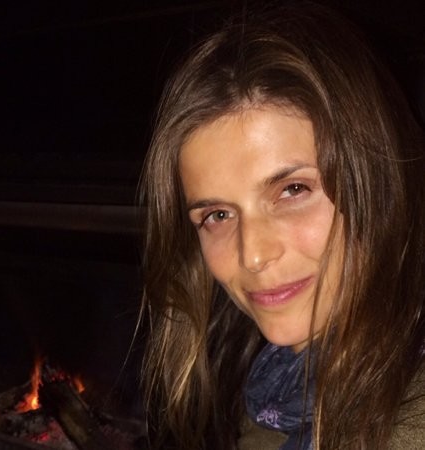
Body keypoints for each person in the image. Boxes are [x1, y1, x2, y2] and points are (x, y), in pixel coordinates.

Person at [139, 2, 425, 449]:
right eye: (217, 215)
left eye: (293, 190)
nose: (253, 255)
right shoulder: (278, 387)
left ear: (376, 183)